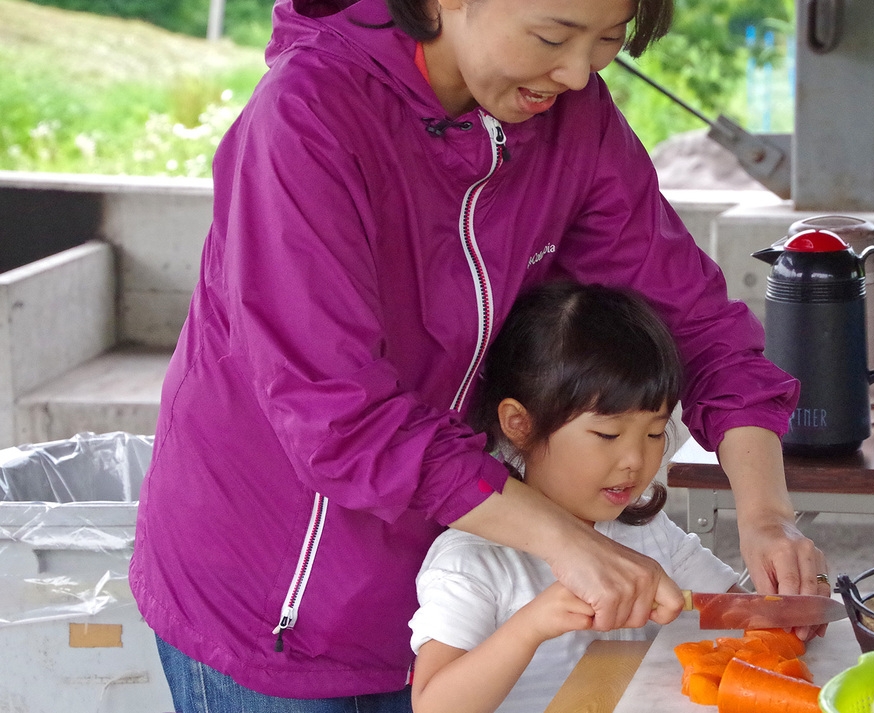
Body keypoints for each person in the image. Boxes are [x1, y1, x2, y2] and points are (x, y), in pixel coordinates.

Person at [130, 0, 828, 709]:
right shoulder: (307, 120)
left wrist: (766, 515)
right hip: (274, 596)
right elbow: (340, 415)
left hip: (450, 552)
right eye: (553, 37)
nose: (580, 75)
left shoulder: (570, 121)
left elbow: (699, 327)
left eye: (608, 42)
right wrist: (567, 540)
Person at [409, 281, 745, 713]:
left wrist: (790, 594)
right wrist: (530, 626)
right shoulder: (474, 559)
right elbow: (433, 706)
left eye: (655, 433)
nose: (634, 461)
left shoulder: (647, 533)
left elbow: (735, 608)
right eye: (607, 434)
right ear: (520, 423)